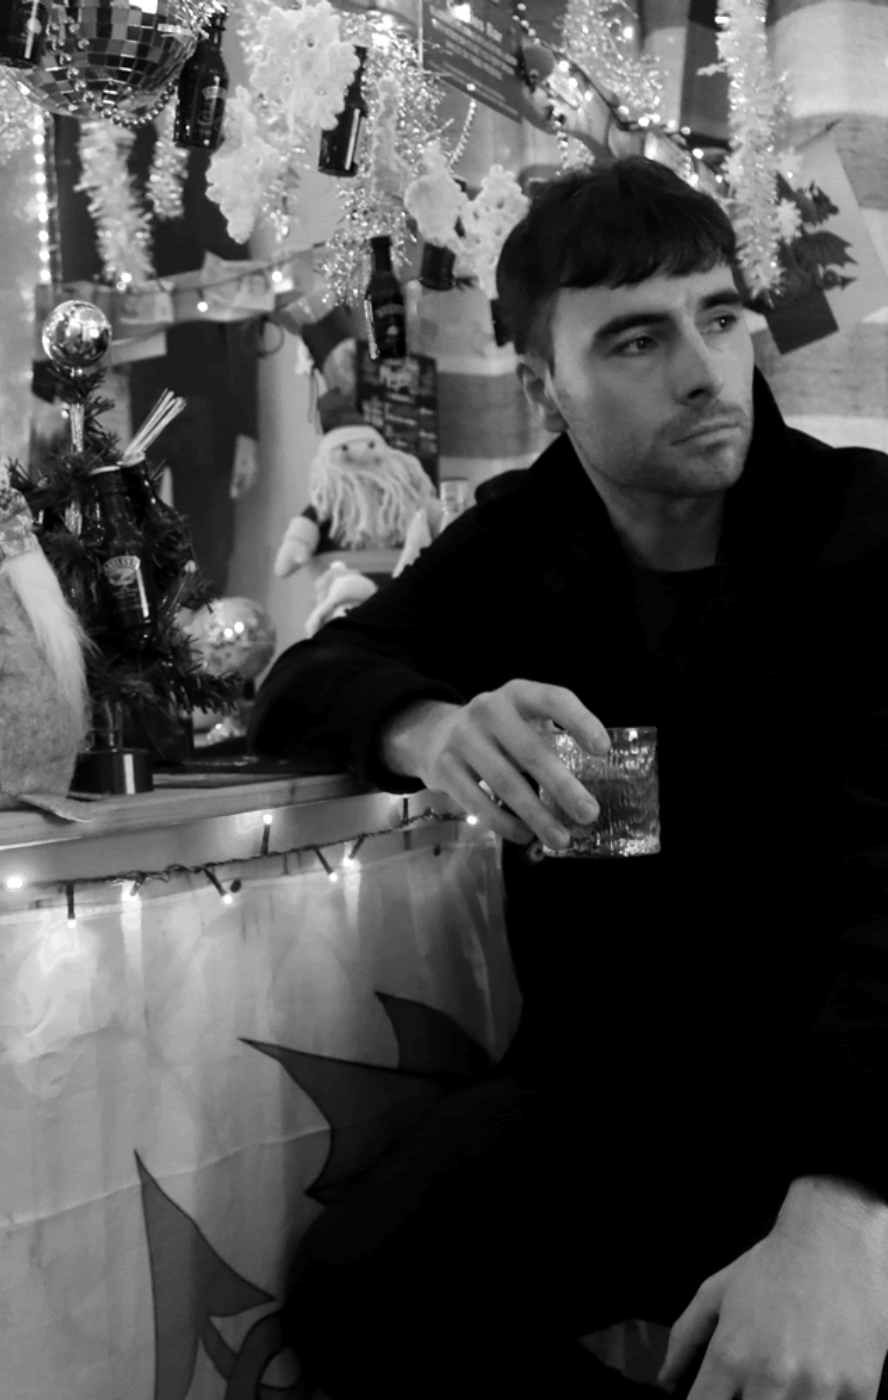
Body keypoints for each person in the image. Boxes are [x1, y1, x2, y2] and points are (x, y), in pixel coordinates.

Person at [249, 156, 888, 1400]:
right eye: (636, 340)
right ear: (545, 386)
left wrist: (844, 1203)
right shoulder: (517, 542)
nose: (704, 372)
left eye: (719, 317)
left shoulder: (860, 530)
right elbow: (309, 674)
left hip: (838, 1083)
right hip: (609, 1094)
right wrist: (428, 727)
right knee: (360, 1290)